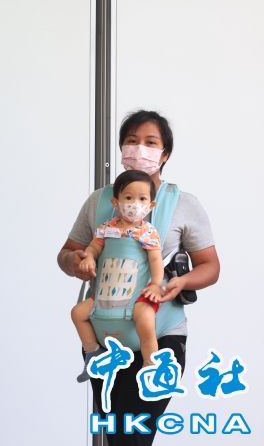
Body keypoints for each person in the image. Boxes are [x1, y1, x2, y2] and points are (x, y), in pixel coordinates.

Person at [58, 110, 220, 446]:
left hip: (160, 336)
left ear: (165, 154)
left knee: (132, 438)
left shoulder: (184, 204)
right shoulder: (99, 202)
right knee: (115, 434)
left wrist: (180, 282)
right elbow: (68, 253)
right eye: (132, 141)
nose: (139, 149)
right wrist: (76, 261)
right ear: (122, 148)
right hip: (105, 337)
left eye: (150, 142)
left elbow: (210, 266)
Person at [72, 170, 164, 382]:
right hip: (106, 293)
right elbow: (93, 248)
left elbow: (156, 261)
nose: (135, 204)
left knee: (146, 320)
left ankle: (151, 364)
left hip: (136, 296)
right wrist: (88, 258)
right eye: (128, 198)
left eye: (142, 199)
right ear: (116, 202)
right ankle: (92, 353)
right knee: (77, 313)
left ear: (151, 205)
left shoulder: (148, 232)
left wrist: (156, 285)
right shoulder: (106, 228)